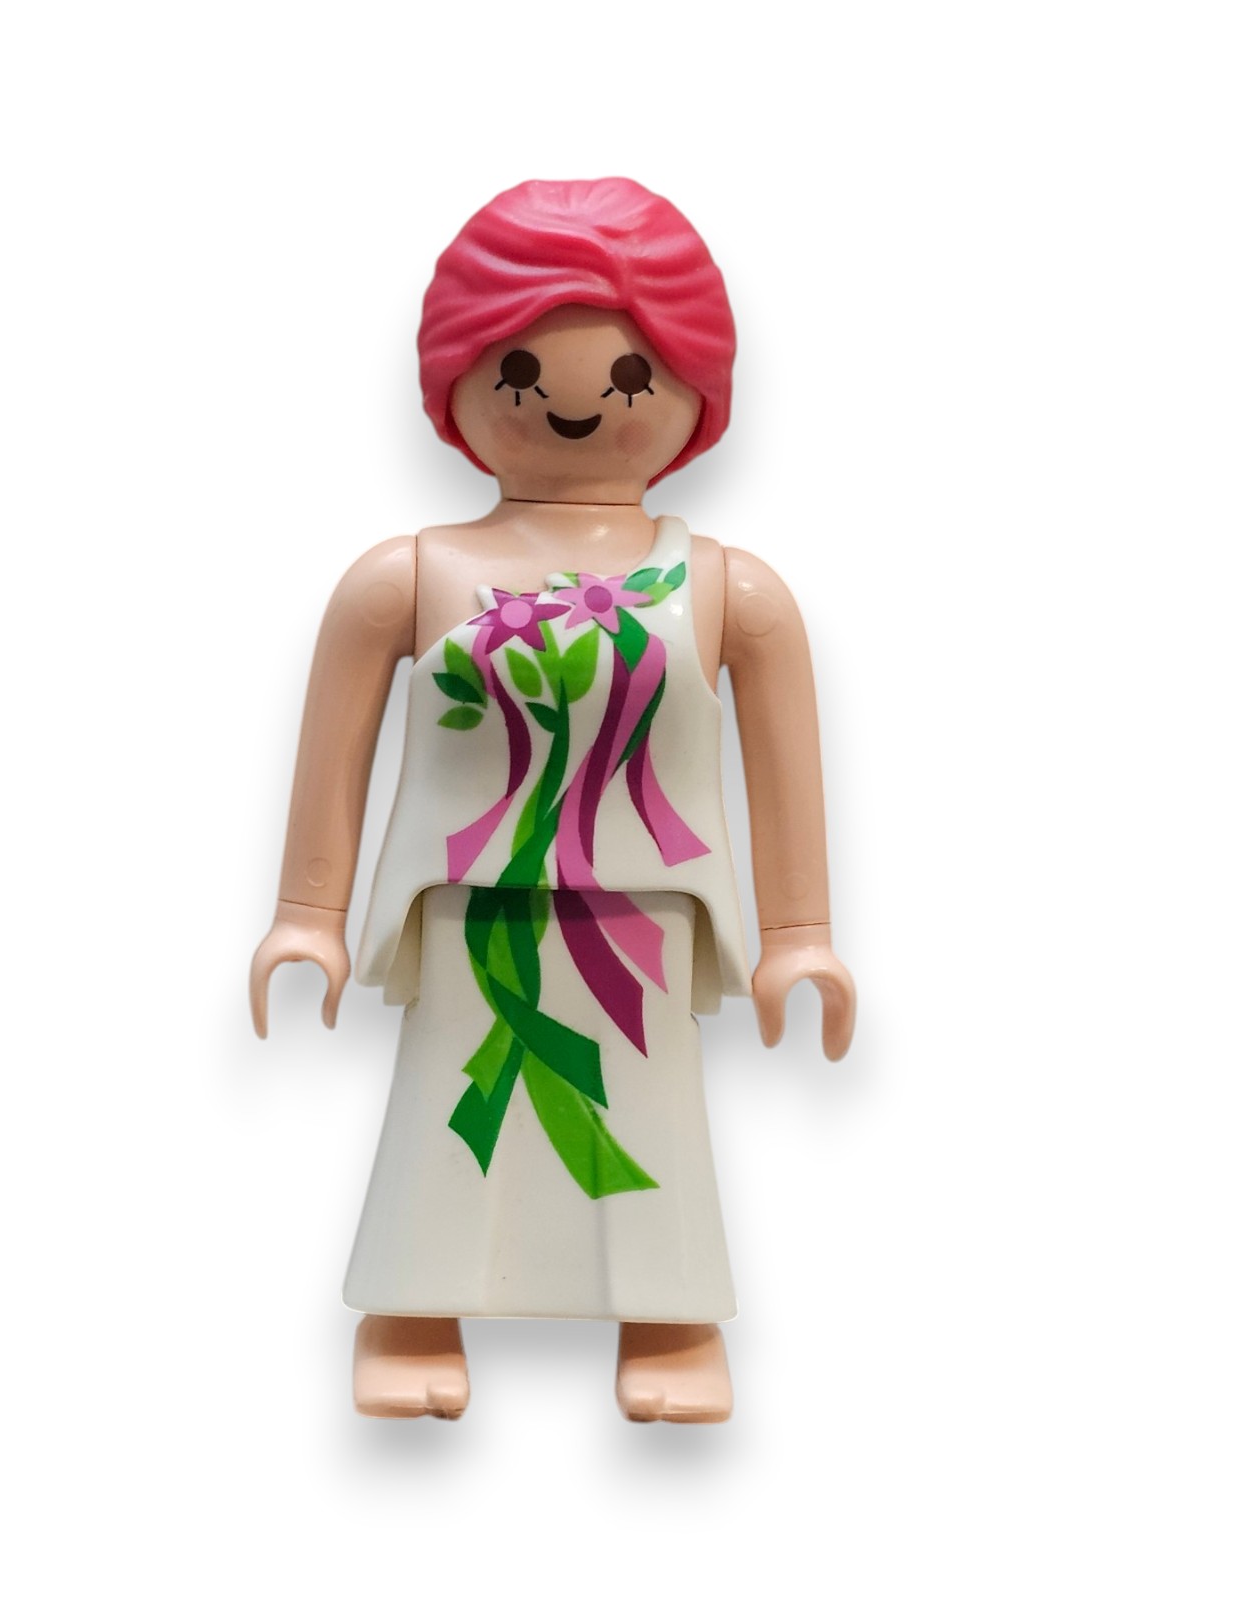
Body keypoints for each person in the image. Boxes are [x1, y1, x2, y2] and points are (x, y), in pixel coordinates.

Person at [250, 178, 855, 1423]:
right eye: (517, 365)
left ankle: (668, 1316)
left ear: (692, 391)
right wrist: (306, 915)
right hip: (469, 900)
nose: (576, 399)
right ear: (457, 382)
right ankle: (413, 1305)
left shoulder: (726, 588)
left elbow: (783, 769)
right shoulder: (411, 576)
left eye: (633, 373)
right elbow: (334, 752)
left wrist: (801, 938)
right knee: (451, 1098)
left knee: (646, 1104)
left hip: (644, 911)